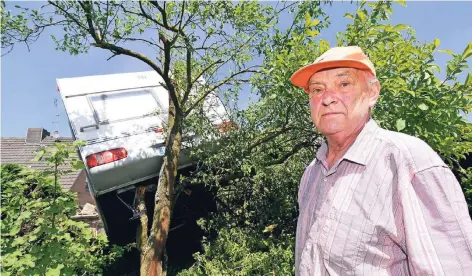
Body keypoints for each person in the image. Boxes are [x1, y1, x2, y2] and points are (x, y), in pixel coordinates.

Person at [290, 46, 472, 275]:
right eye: (317, 90)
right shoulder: (311, 174)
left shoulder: (409, 162)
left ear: (372, 93)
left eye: (344, 84)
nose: (327, 99)